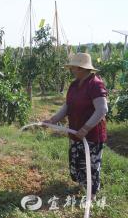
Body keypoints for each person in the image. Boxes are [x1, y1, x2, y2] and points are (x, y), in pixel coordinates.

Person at [43, 53, 108, 200]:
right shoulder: (74, 85)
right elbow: (67, 106)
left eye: (74, 67)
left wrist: (85, 128)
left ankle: (91, 194)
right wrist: (53, 120)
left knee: (90, 164)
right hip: (75, 131)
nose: (71, 70)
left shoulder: (95, 84)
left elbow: (102, 109)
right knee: (77, 161)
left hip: (91, 135)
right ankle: (81, 185)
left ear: (83, 68)